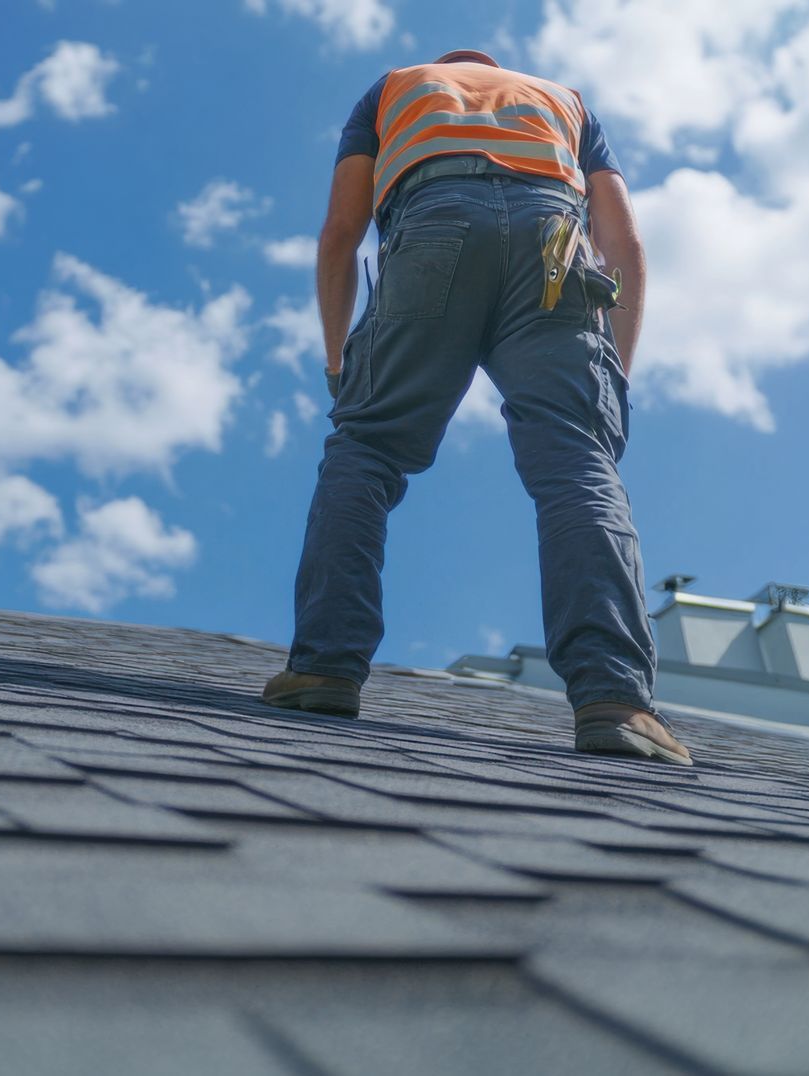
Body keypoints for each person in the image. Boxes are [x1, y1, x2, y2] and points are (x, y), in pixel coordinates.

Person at [260, 49, 693, 765]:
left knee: (365, 448)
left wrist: (340, 362)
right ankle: (616, 701)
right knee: (576, 461)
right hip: (557, 242)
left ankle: (324, 668)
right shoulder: (564, 99)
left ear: (449, 69)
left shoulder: (394, 89)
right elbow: (624, 243)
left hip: (434, 222)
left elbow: (343, 230)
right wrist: (612, 370)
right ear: (498, 72)